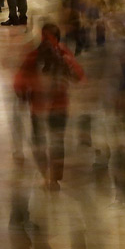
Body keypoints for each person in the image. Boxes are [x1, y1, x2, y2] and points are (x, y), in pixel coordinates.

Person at [13, 24, 85, 190]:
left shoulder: (34, 56)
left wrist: (23, 94)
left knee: (40, 142)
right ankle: (53, 178)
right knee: (56, 142)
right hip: (59, 107)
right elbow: (79, 76)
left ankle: (48, 177)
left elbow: (19, 81)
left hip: (39, 108)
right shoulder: (63, 54)